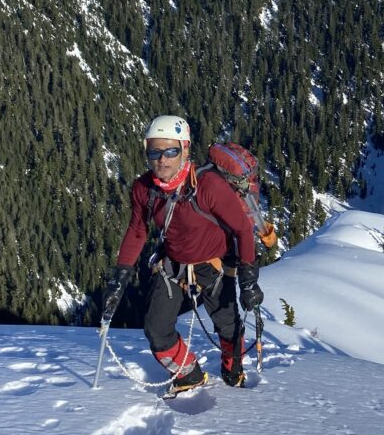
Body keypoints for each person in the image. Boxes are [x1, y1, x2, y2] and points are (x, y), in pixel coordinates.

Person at [101, 115, 264, 391]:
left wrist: (248, 278)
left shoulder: (209, 186)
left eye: (170, 151)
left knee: (229, 326)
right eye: (154, 152)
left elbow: (243, 230)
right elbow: (137, 232)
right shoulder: (144, 189)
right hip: (173, 265)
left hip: (214, 266)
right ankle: (189, 374)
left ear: (185, 150)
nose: (161, 160)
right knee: (156, 329)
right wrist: (120, 276)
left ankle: (232, 368)